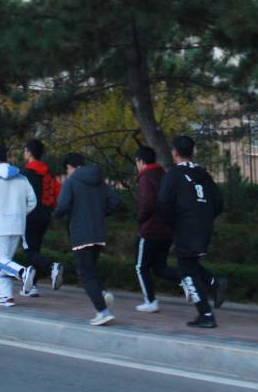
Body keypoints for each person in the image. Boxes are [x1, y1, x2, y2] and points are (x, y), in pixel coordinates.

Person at [157, 135, 227, 329]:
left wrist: (172, 221)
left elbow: (163, 203)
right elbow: (218, 202)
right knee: (190, 262)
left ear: (175, 153)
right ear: (192, 151)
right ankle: (214, 282)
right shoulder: (203, 173)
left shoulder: (173, 175)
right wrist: (205, 217)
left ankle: (206, 314)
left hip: (185, 225)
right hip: (204, 225)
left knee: (186, 270)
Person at [53, 153, 121, 325]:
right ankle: (103, 293)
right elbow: (115, 201)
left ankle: (103, 311)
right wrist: (100, 214)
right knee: (91, 269)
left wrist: (56, 215)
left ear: (70, 167)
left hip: (81, 233)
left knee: (85, 275)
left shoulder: (71, 182)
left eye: (67, 169)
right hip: (98, 233)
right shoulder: (99, 181)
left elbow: (62, 205)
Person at [0, 144, 37, 307]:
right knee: (6, 261)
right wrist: (20, 213)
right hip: (18, 225)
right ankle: (6, 296)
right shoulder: (22, 177)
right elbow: (32, 201)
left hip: (0, 225)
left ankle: (22, 272)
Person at [133, 146, 180, 312]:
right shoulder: (164, 175)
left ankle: (150, 301)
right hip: (166, 229)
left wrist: (140, 218)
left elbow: (147, 203)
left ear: (140, 161)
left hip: (150, 229)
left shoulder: (145, 178)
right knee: (159, 266)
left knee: (141, 267)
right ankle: (186, 280)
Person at [21, 139, 64, 295]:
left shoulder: (25, 174)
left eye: (25, 150)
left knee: (29, 251)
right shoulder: (48, 173)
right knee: (35, 249)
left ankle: (51, 267)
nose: (24, 153)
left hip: (29, 216)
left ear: (29, 153)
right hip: (45, 215)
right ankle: (32, 286)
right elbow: (58, 192)